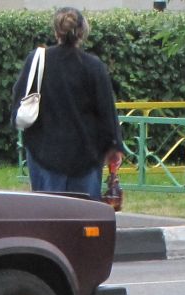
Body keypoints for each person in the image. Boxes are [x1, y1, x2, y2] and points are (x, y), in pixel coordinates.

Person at [10, 7, 124, 200]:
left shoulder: (38, 61)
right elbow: (106, 112)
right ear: (82, 32)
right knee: (84, 218)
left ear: (56, 31)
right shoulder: (93, 66)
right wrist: (114, 146)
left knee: (49, 218)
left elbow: (19, 99)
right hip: (86, 155)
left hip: (44, 152)